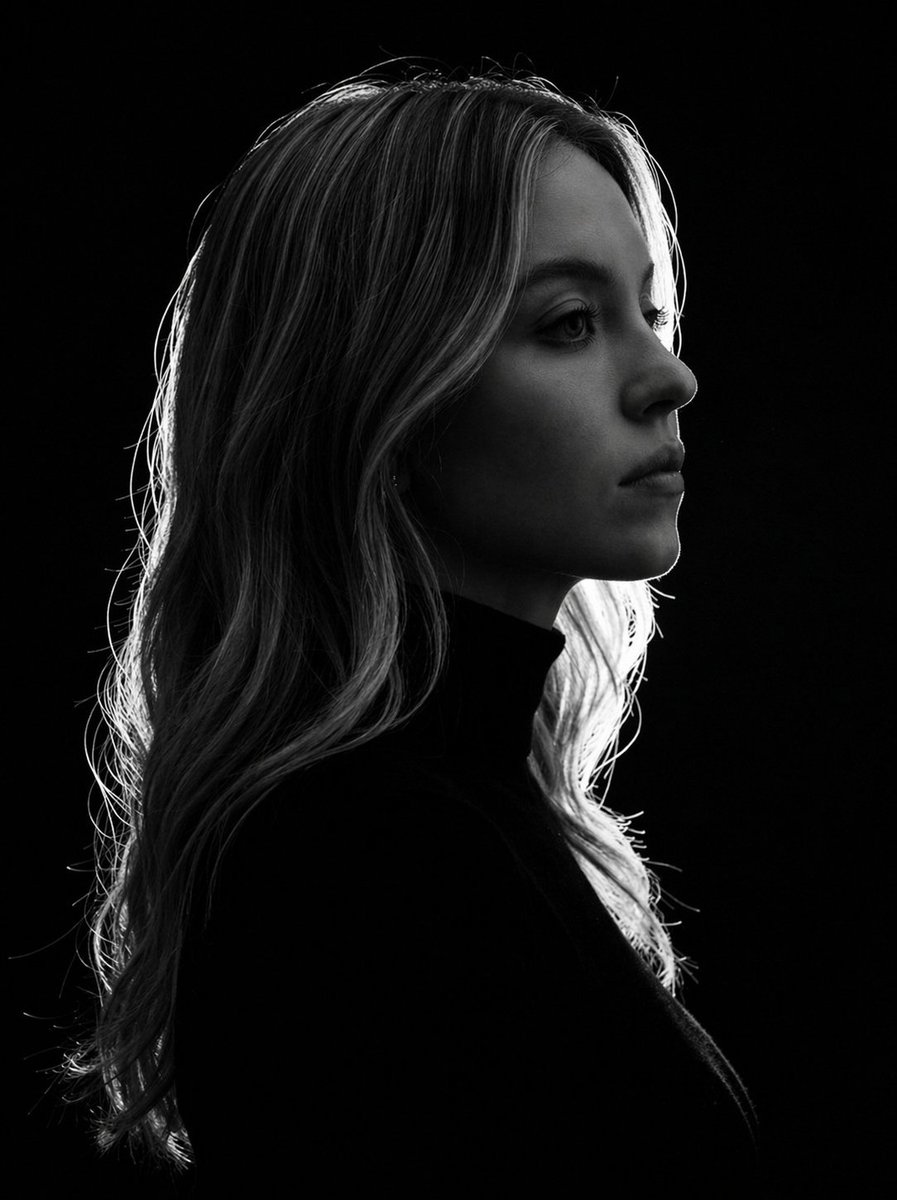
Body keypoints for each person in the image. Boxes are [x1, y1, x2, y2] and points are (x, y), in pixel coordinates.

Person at [58, 62, 761, 1195]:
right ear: (379, 393)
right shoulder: (366, 866)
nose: (668, 377)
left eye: (651, 312)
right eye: (570, 323)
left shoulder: (451, 817)